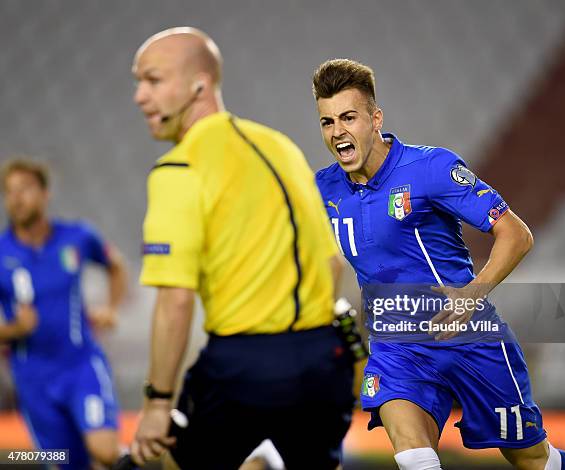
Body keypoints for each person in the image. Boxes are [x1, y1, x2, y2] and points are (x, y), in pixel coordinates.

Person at [312, 59, 565, 470]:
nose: (338, 132)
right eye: (327, 122)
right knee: (413, 454)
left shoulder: (429, 168)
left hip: (470, 340)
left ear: (375, 118)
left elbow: (516, 234)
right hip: (397, 347)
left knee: (531, 458)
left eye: (348, 117)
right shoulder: (323, 188)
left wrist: (473, 295)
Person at [130, 27, 354, 469]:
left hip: (242, 365)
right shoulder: (282, 148)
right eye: (138, 81)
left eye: (153, 80)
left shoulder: (180, 168)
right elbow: (331, 261)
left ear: (199, 85)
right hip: (323, 361)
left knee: (176, 459)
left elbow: (175, 302)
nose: (140, 95)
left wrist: (157, 404)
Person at [0, 159, 128, 469]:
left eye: (25, 189)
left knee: (106, 450)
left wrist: (111, 308)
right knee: (62, 462)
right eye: (9, 191)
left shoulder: (77, 237)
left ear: (45, 193)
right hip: (33, 377)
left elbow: (116, 266)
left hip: (80, 362)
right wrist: (15, 330)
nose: (17, 198)